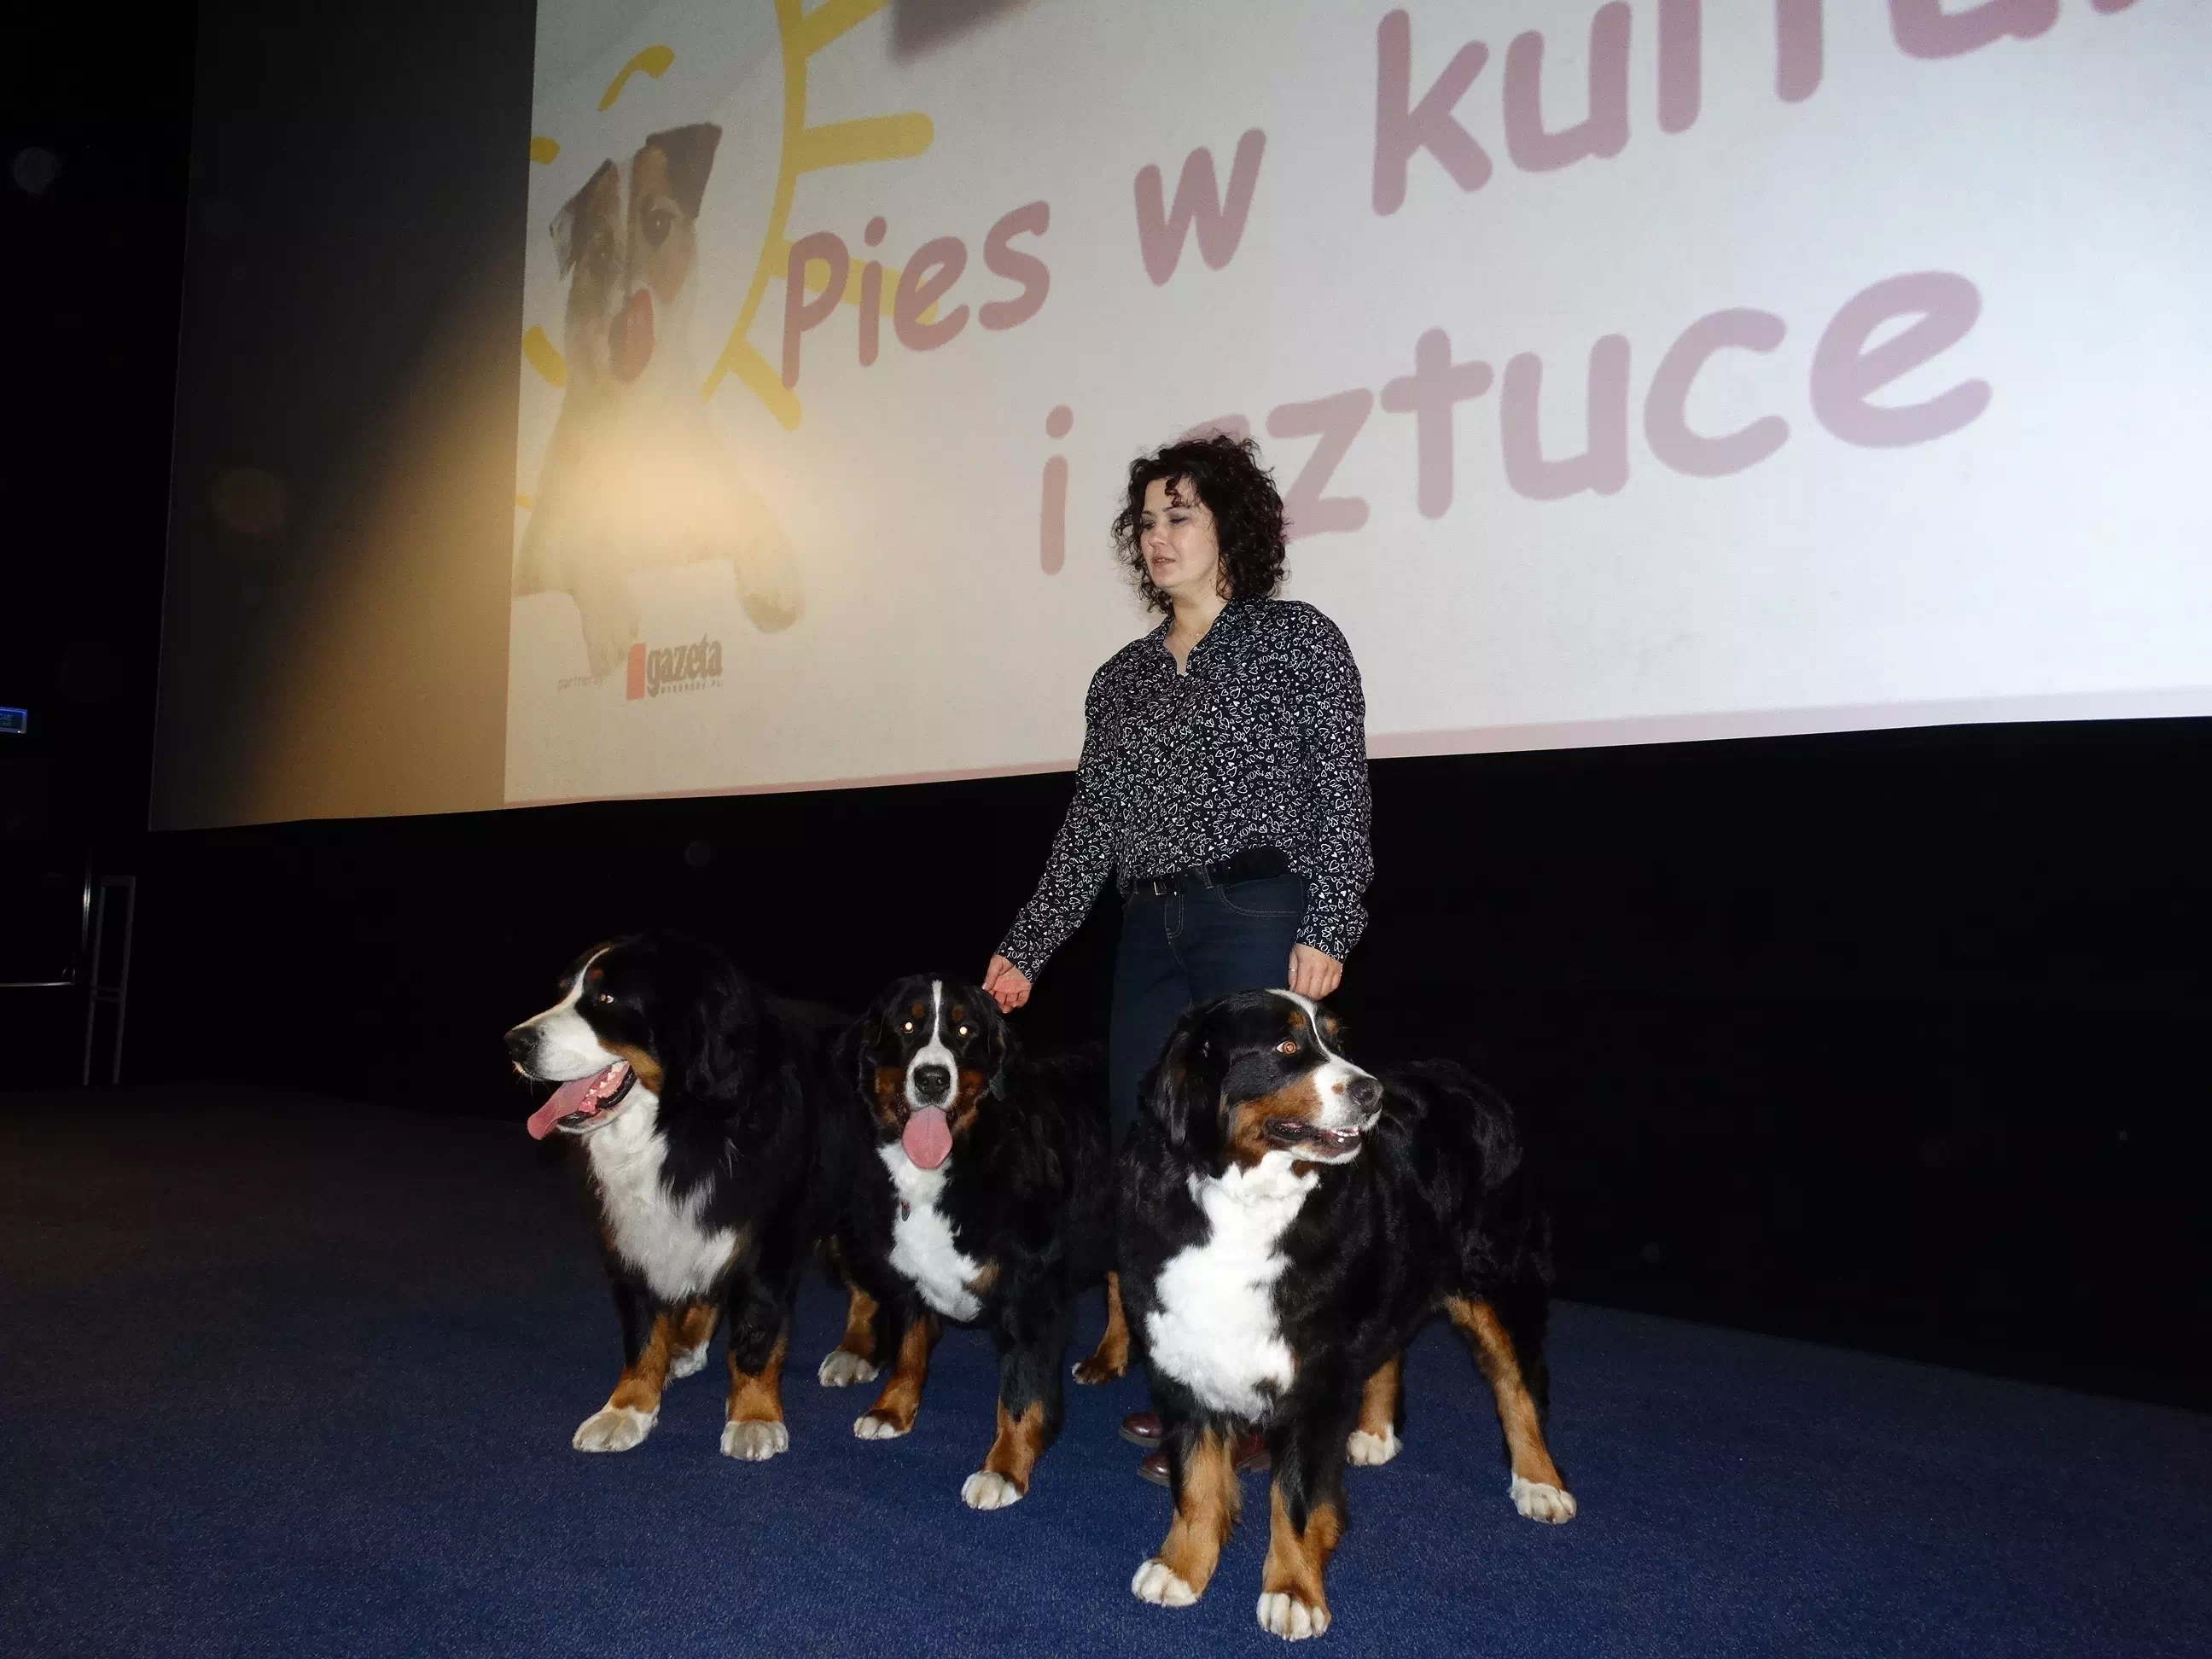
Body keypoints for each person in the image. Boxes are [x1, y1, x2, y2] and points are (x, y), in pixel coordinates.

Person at [981, 430, 1374, 1481]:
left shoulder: (1297, 641)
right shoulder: (1120, 679)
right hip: (1147, 928)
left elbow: (1343, 795)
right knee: (1152, 1150)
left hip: (1257, 909)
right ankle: (1194, 1387)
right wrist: (1027, 948)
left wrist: (1329, 922)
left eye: (1180, 515)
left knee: (1271, 1161)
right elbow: (1088, 832)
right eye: (1147, 521)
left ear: (1230, 526)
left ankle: (1272, 1394)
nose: (1158, 536)